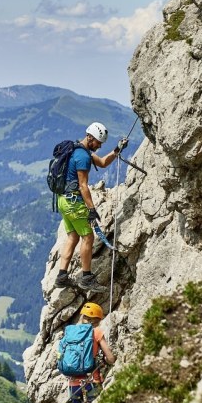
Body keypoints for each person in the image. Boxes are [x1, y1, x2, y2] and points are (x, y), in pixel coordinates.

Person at [54, 121, 127, 292]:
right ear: (89, 137)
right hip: (74, 201)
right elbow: (83, 185)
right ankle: (86, 277)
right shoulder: (83, 157)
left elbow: (102, 162)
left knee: (73, 237)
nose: (99, 146)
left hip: (63, 200)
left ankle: (61, 277)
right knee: (88, 237)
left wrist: (117, 150)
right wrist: (92, 209)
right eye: (97, 142)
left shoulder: (77, 149)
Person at [63, 301, 116, 403]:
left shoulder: (70, 332)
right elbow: (111, 358)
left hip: (73, 384)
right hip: (92, 382)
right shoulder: (96, 332)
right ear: (96, 320)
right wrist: (105, 361)